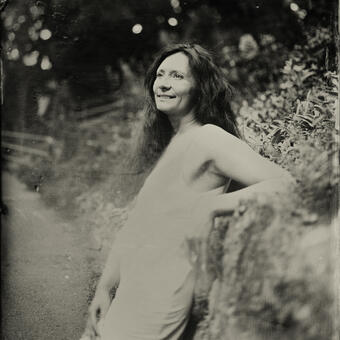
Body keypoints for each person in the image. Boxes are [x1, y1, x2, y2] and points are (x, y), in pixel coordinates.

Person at [84, 43, 293, 340]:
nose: (164, 84)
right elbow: (135, 226)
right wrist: (105, 288)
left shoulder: (207, 138)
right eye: (160, 75)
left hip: (160, 301)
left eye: (177, 76)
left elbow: (285, 185)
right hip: (133, 294)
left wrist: (211, 207)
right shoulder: (172, 142)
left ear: (200, 87)